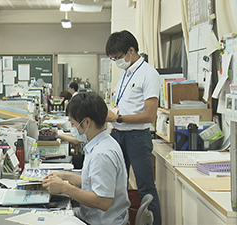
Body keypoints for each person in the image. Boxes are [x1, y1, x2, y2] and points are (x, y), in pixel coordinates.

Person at [42, 93, 130, 225]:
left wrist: (65, 188)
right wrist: (65, 176)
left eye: (73, 123)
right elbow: (94, 181)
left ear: (87, 122)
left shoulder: (102, 154)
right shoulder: (102, 143)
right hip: (95, 217)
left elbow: (102, 201)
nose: (72, 128)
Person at [105, 30, 161, 225]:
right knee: (117, 186)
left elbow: (150, 115)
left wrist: (118, 118)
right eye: (113, 59)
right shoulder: (124, 74)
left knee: (146, 188)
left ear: (131, 51)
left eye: (118, 57)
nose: (117, 61)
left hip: (137, 137)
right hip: (118, 134)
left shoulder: (149, 74)